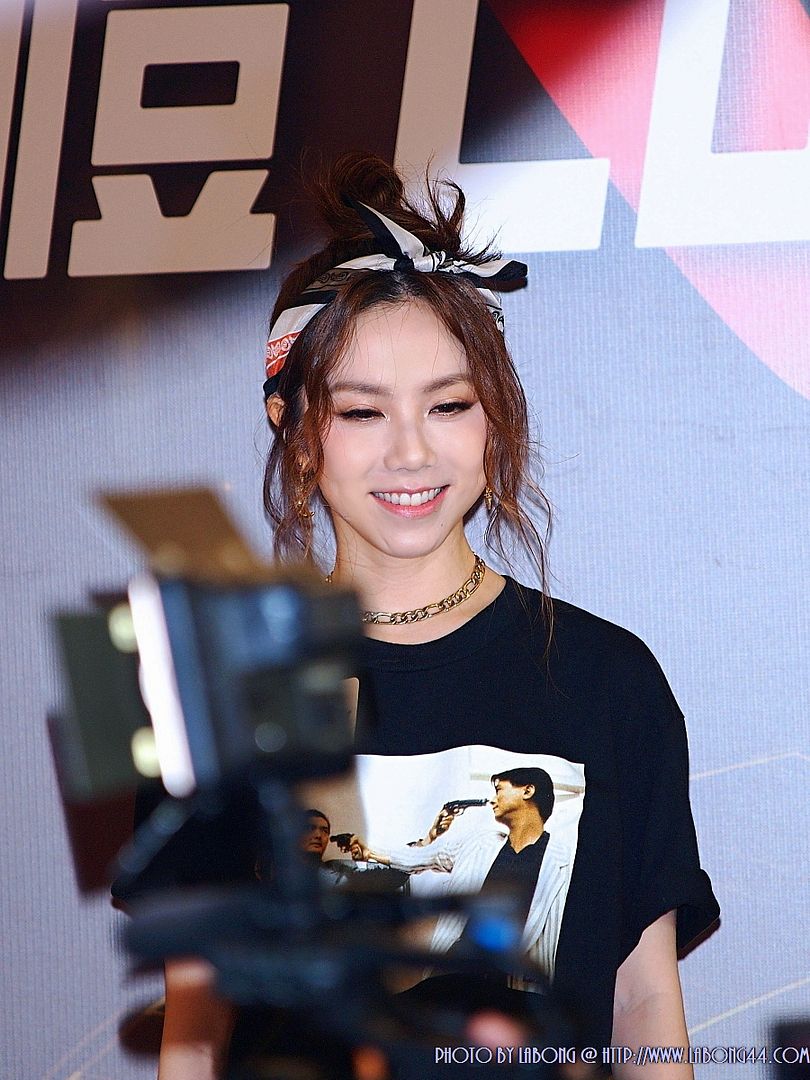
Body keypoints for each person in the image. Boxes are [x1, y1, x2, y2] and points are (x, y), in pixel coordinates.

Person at [153, 153, 719, 1078]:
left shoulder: (603, 678)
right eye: (362, 413)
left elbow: (644, 1000)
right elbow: (197, 1012)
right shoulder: (224, 683)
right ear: (295, 429)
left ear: (493, 419)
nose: (411, 453)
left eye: (448, 405)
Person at [348, 768, 570, 979]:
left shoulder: (564, 862)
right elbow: (422, 857)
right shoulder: (479, 843)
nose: (493, 800)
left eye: (499, 790)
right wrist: (370, 853)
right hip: (451, 971)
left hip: (507, 983)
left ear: (527, 791)